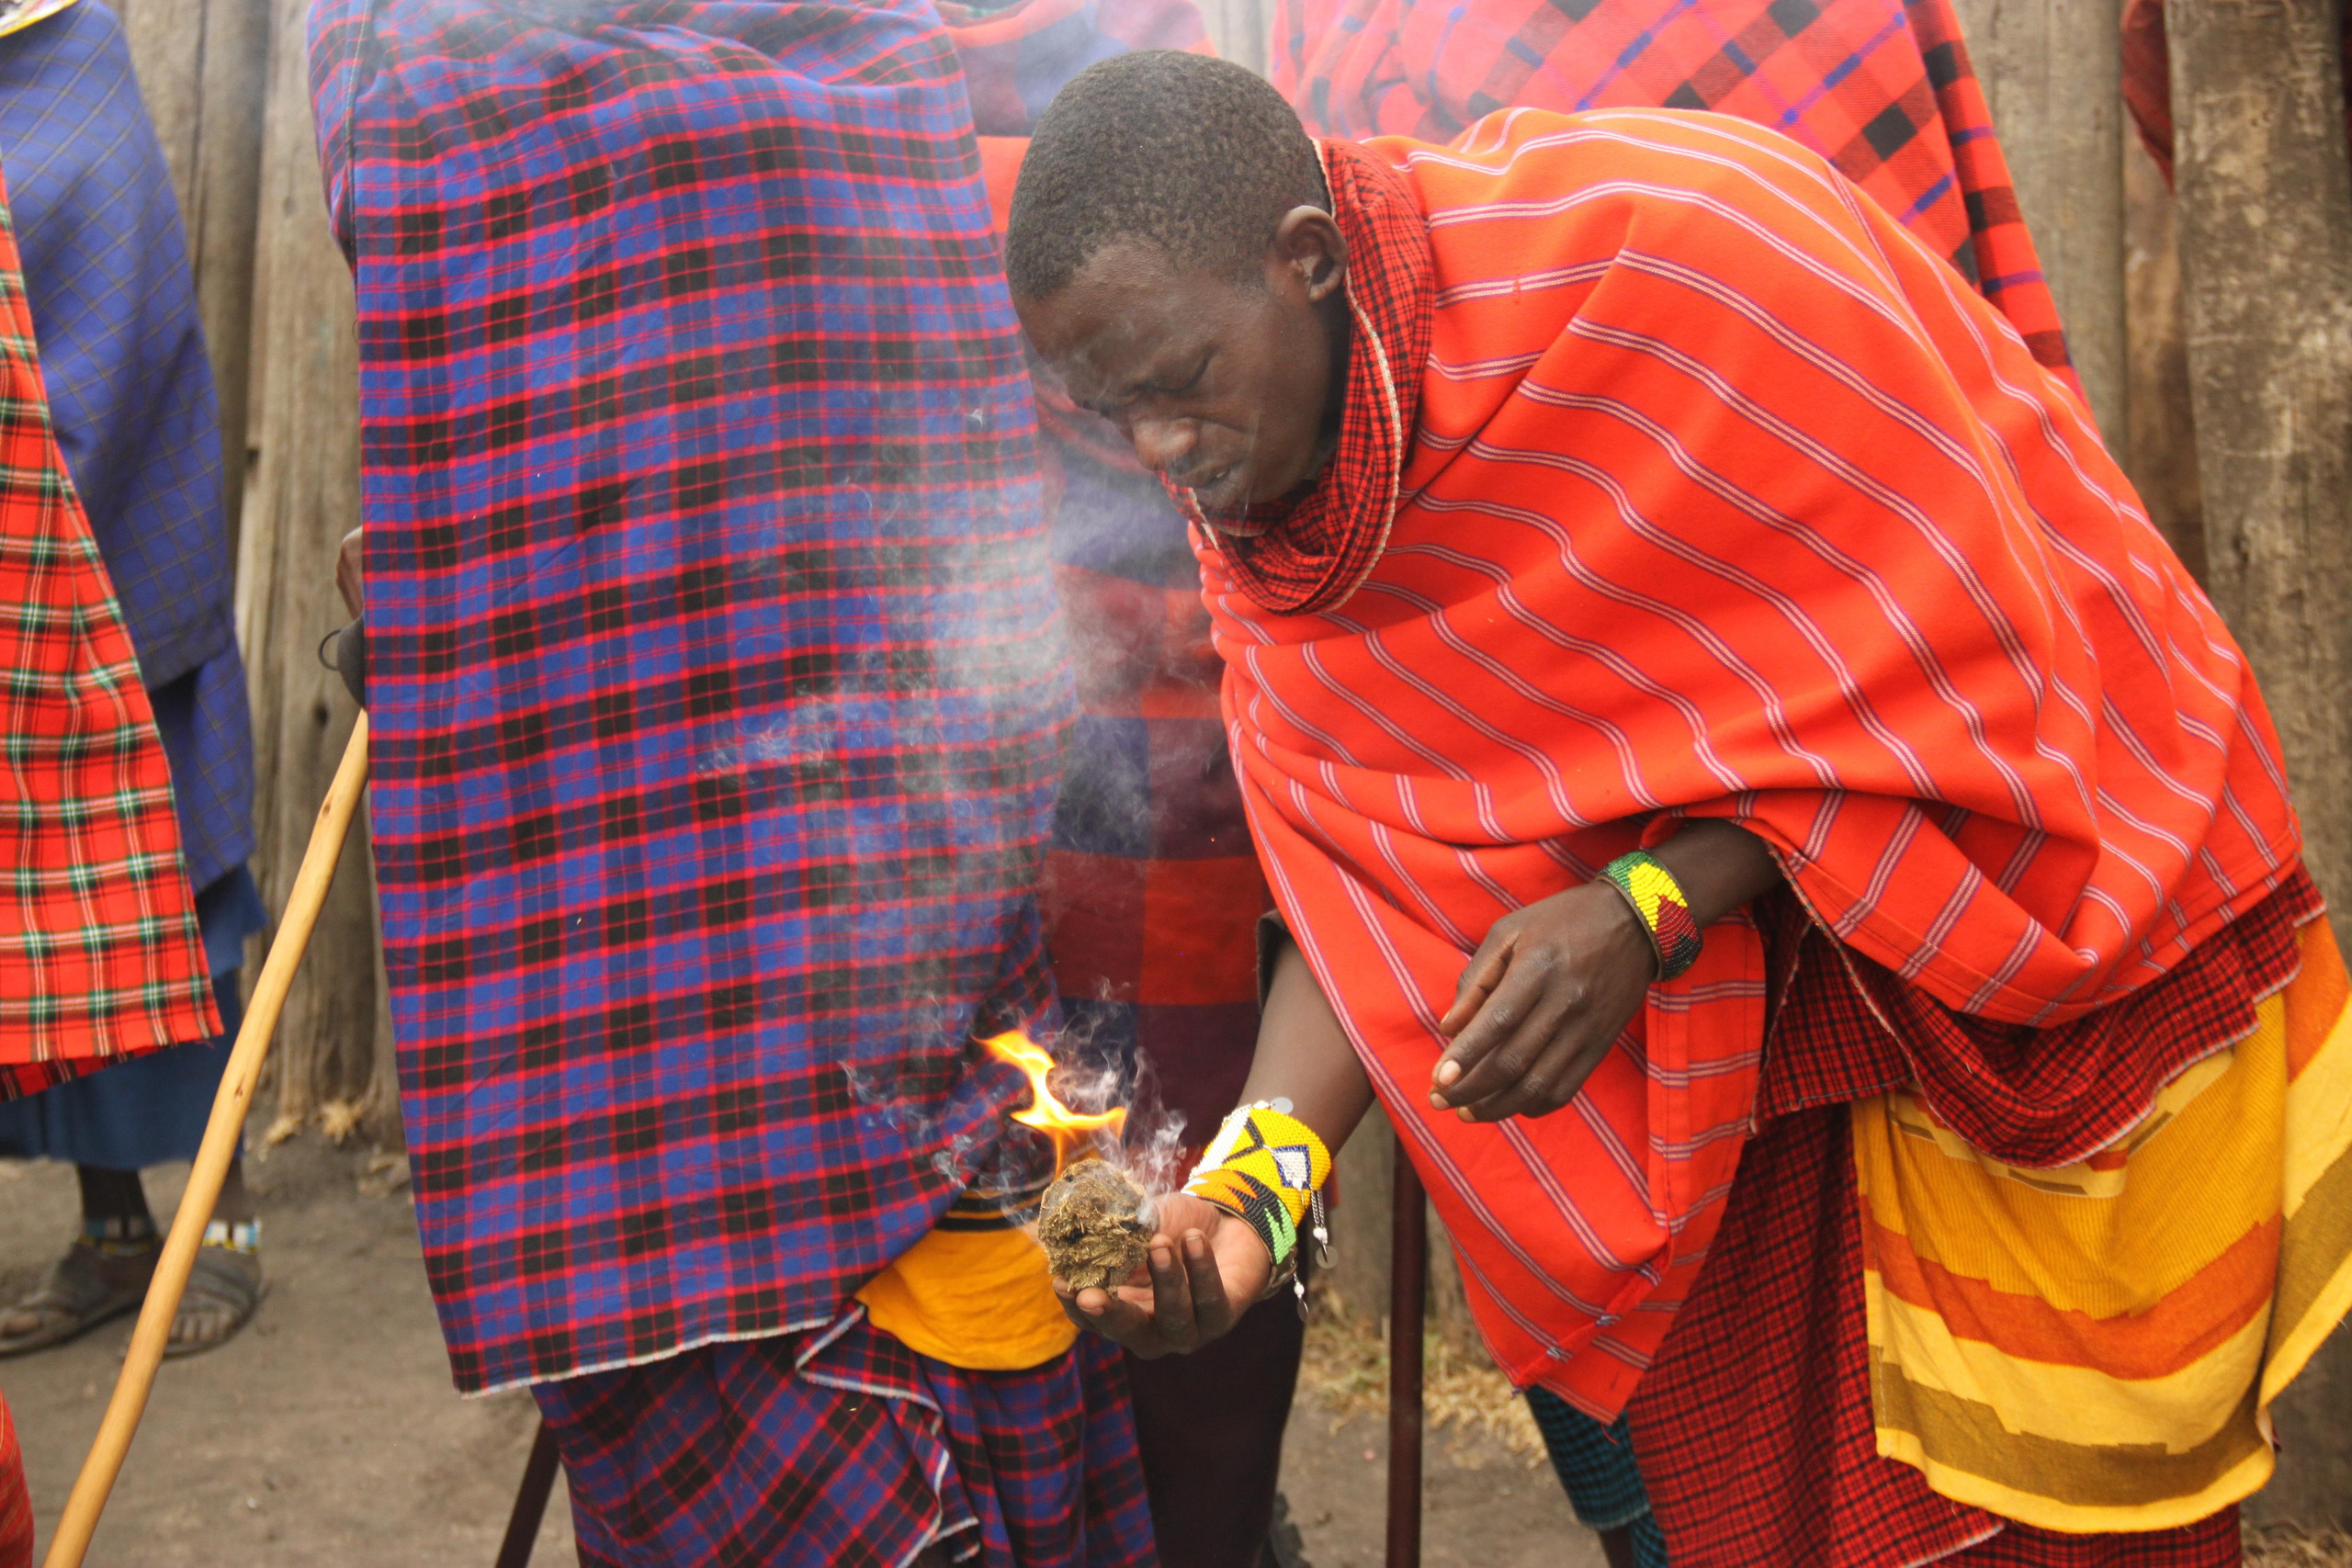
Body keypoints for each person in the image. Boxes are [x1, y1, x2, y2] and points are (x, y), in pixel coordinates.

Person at [1003, 50, 2352, 1567]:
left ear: (1306, 264)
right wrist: (1250, 1204)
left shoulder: (1686, 258)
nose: (1162, 456)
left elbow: (1982, 664)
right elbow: (1362, 895)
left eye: (1180, 385)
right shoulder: (1276, 528)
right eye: (1112, 414)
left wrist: (1651, 902)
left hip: (1978, 977)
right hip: (1691, 1123)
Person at [308, 2, 1153, 1563]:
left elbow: (1081, 1172)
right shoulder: (441, 78)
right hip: (674, 1082)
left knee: (1058, 1258)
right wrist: (468, 612)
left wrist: (1186, 1247)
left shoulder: (888, 95)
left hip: (931, 1016)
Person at [955, 6, 1313, 1559]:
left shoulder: (1169, 92)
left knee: (1189, 1208)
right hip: (948, 769)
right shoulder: (843, 89)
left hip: (1204, 769)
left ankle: (1209, 1527)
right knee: (999, 1219)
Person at [0, 0, 269, 1362]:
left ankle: (226, 1227)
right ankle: (112, 1233)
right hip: (5, 580)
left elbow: (111, 335)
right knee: (31, 944)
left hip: (94, 557)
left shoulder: (73, 71)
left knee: (174, 902)